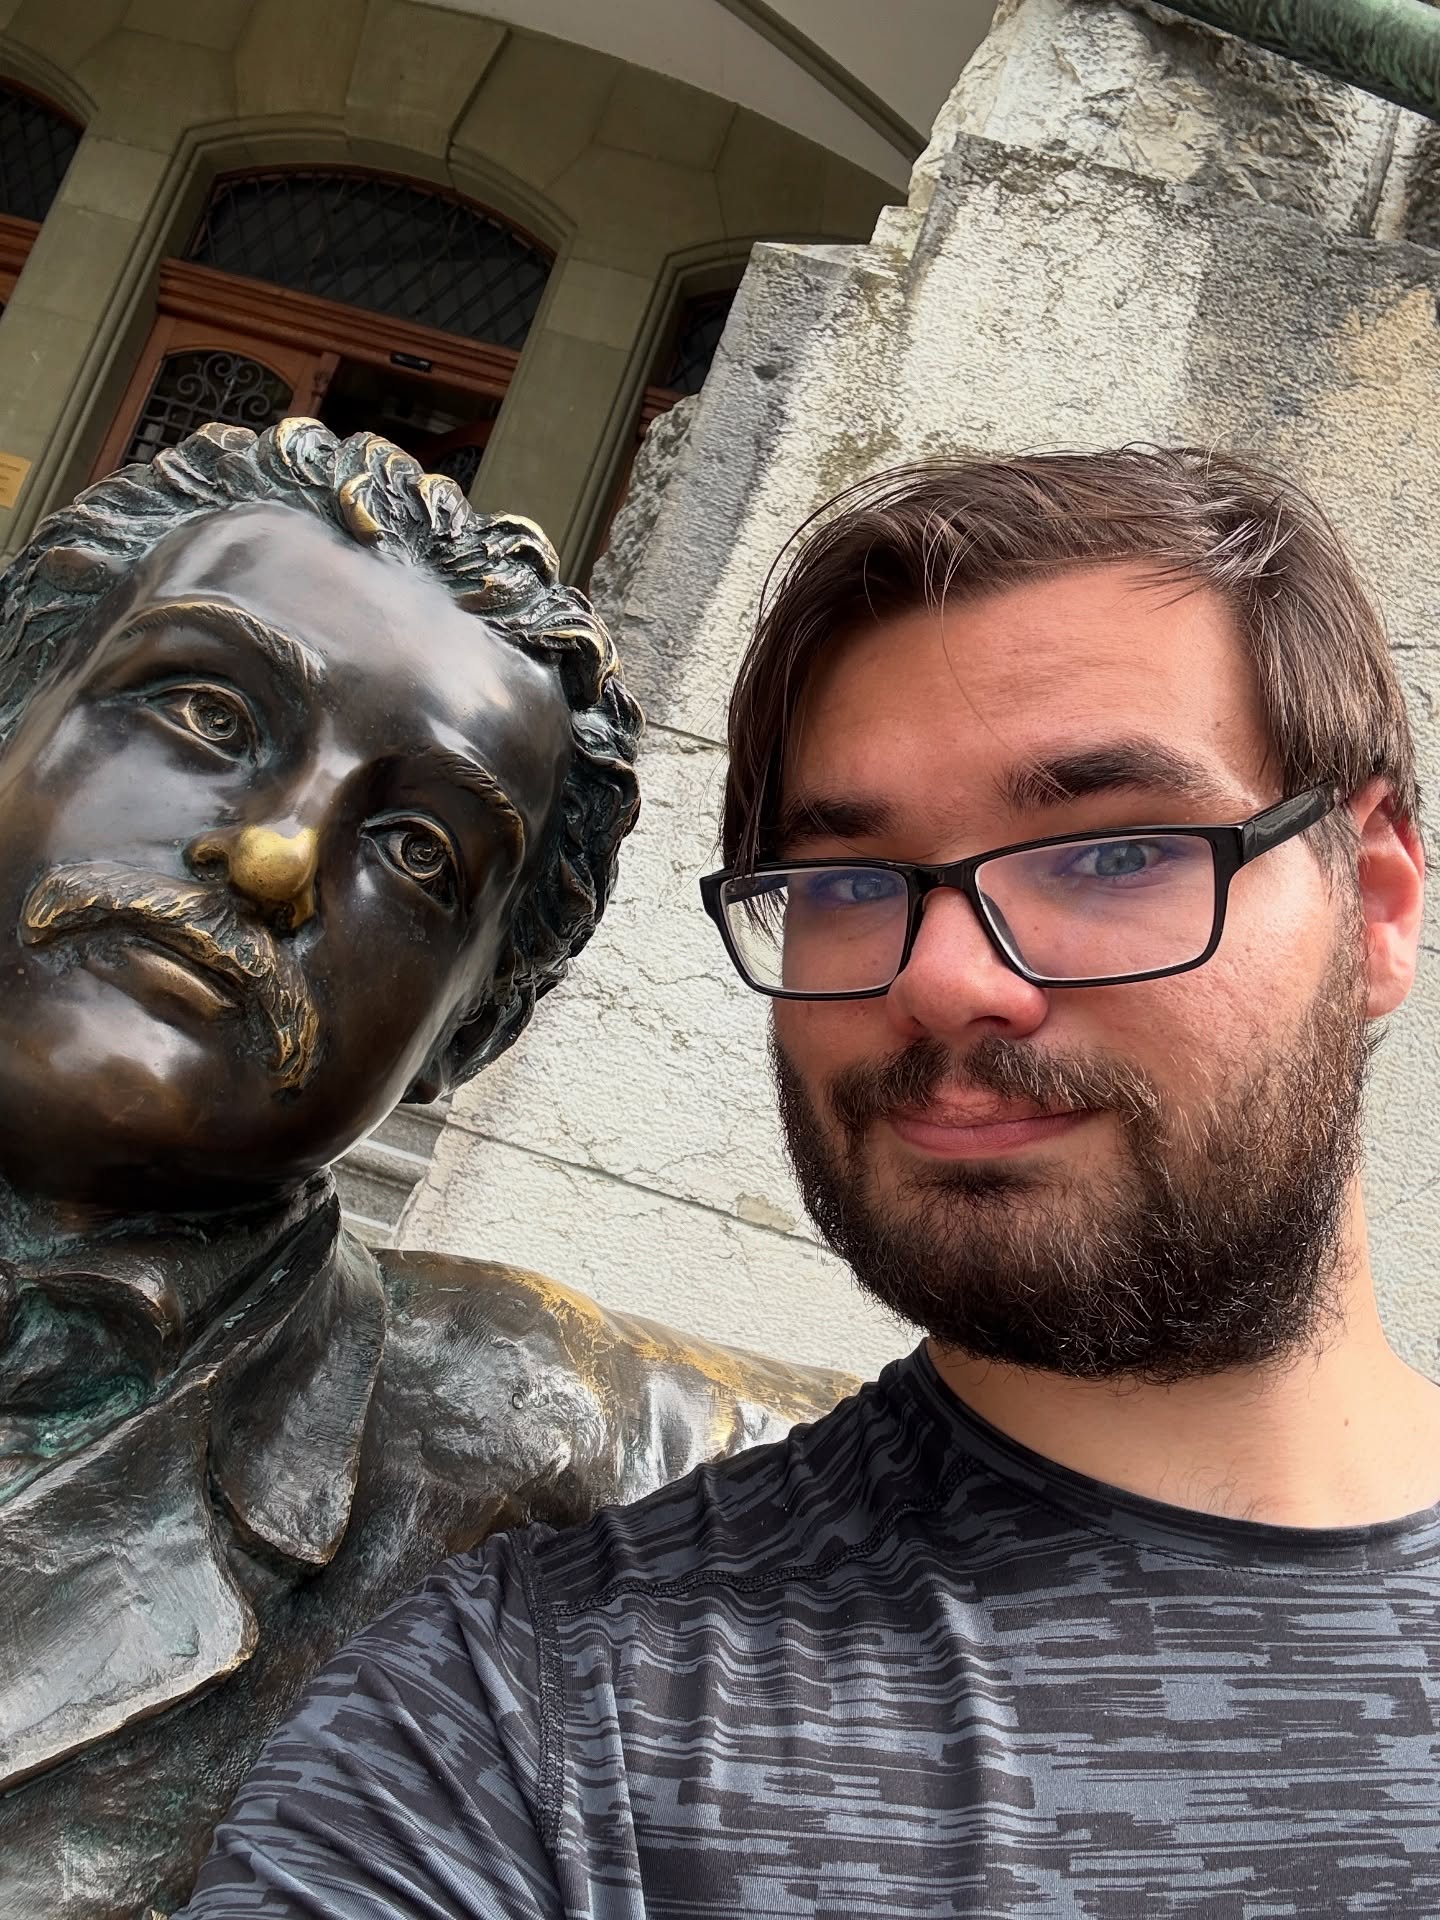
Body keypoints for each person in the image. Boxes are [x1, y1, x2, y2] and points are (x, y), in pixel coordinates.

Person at [179, 447, 1440, 1919]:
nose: (948, 979)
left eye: (1107, 856)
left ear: (1377, 907)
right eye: (848, 884)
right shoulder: (514, 1736)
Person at [0, 418, 851, 1920]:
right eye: (205, 714)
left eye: (415, 854)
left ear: (469, 1030)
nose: (272, 860)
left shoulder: (550, 1447)